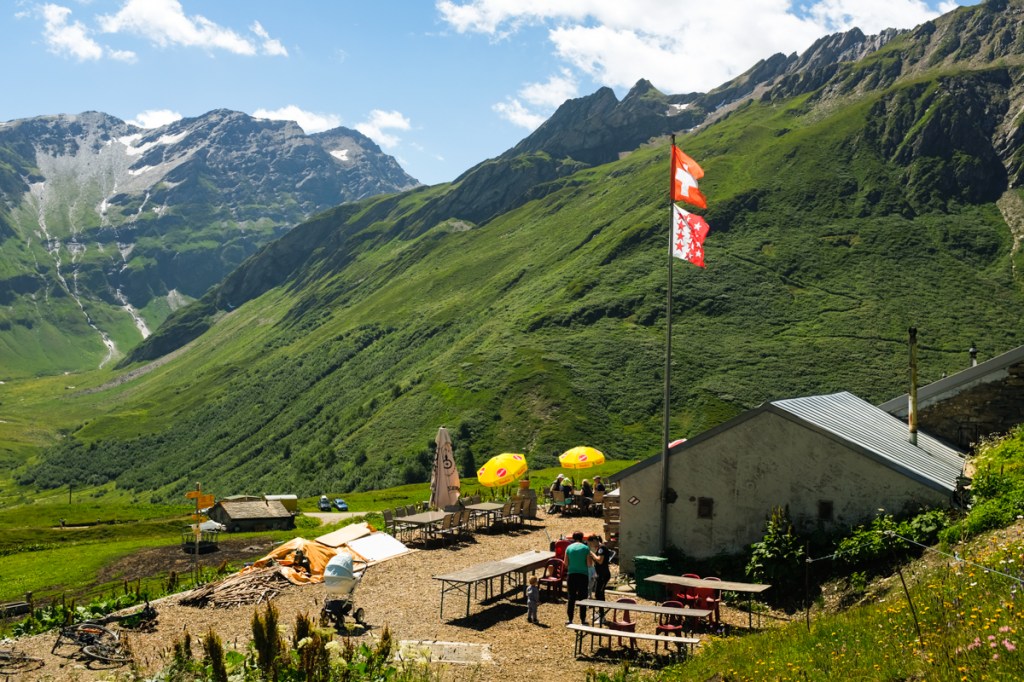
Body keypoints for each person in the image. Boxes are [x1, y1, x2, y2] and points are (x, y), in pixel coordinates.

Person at [565, 530, 590, 624]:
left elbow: (566, 563)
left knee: (571, 597)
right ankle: (583, 619)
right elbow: (589, 564)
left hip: (571, 575)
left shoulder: (569, 548)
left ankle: (570, 619)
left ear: (573, 538)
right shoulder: (585, 548)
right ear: (582, 538)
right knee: (583, 597)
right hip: (583, 575)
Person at [588, 535, 612, 604]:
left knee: (599, 594)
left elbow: (600, 561)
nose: (590, 545)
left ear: (594, 541)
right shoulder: (599, 548)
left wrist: (592, 554)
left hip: (603, 574)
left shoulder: (602, 548)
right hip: (600, 574)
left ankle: (601, 611)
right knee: (599, 593)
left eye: (590, 543)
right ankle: (601, 610)